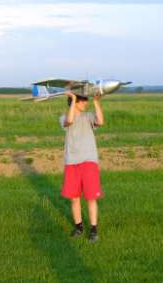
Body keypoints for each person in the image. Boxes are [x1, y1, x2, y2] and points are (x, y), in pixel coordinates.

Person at [60, 91, 104, 242]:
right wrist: (72, 98)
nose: (86, 102)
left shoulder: (89, 116)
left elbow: (101, 121)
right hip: (72, 162)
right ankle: (79, 227)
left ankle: (93, 229)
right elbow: (70, 121)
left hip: (88, 161)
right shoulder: (64, 118)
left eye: (86, 100)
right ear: (74, 103)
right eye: (82, 100)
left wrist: (96, 102)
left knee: (91, 197)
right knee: (74, 198)